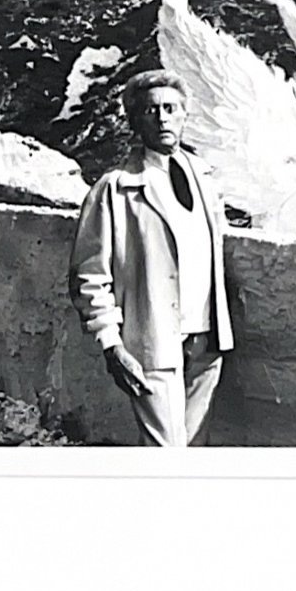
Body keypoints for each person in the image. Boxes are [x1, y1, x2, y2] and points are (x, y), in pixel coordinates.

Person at [68, 70, 234, 446]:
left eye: (170, 108)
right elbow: (89, 276)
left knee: (194, 447)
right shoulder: (114, 189)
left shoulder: (205, 178)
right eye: (150, 110)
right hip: (152, 340)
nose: (162, 117)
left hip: (206, 341)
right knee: (164, 450)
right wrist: (112, 345)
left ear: (184, 115)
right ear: (135, 121)